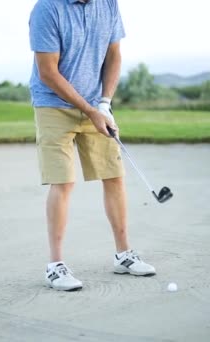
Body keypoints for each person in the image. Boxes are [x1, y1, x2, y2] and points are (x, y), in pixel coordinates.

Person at [29, 0, 156, 291]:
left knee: (114, 175)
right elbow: (47, 71)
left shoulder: (108, 4)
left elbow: (114, 55)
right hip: (52, 105)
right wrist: (90, 110)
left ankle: (124, 255)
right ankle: (55, 266)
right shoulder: (47, 9)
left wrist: (104, 103)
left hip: (95, 105)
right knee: (63, 181)